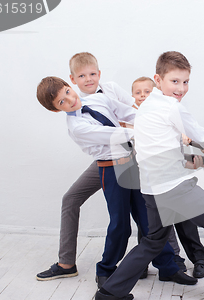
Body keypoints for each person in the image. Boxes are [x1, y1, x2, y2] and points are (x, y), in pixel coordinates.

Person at [94, 51, 204, 300]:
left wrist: (189, 157)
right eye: (175, 81)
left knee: (154, 240)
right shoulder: (170, 107)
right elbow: (202, 135)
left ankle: (109, 291)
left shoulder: (145, 106)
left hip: (152, 188)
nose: (181, 88)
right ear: (158, 79)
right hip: (174, 187)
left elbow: (160, 145)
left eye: (185, 82)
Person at [36, 76, 196, 290]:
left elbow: (128, 112)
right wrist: (150, 132)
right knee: (120, 225)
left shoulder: (97, 100)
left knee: (150, 220)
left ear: (69, 86)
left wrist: (150, 120)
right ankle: (106, 269)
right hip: (110, 169)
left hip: (133, 163)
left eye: (66, 92)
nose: (69, 99)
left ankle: (167, 267)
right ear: (56, 110)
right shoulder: (77, 126)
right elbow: (115, 134)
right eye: (61, 102)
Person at [36, 52, 146, 282]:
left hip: (132, 153)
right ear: (73, 79)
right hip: (107, 160)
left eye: (92, 74)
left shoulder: (109, 91)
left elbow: (134, 109)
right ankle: (67, 263)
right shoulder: (78, 116)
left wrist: (149, 128)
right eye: (82, 76)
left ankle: (167, 260)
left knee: (147, 209)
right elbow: (109, 134)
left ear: (99, 72)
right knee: (72, 199)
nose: (88, 79)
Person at [131, 76, 204, 278]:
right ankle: (164, 263)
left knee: (185, 220)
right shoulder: (133, 117)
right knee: (150, 226)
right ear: (132, 97)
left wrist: (184, 140)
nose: (143, 96)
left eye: (147, 92)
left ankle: (198, 258)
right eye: (138, 93)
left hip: (173, 177)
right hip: (149, 180)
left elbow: (183, 136)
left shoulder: (166, 110)